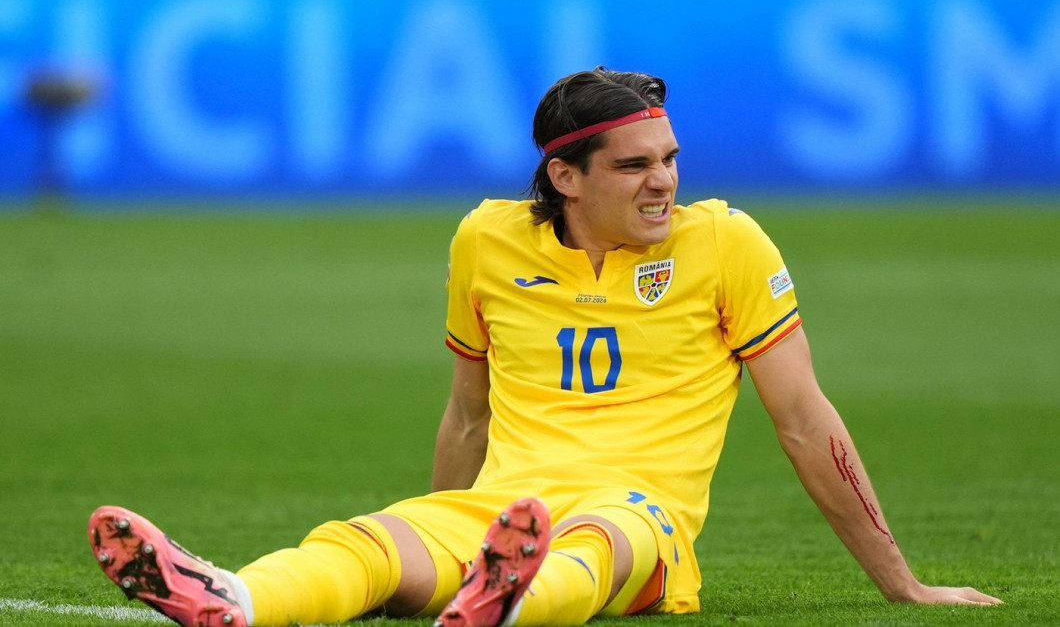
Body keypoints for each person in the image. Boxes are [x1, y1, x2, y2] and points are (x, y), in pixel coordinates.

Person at [87, 68, 1001, 627]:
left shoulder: (724, 244)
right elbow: (468, 411)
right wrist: (439, 543)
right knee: (365, 545)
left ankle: (506, 601)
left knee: (597, 548)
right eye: (636, 165)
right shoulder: (486, 241)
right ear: (565, 177)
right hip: (505, 508)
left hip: (642, 515)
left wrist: (903, 585)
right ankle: (234, 598)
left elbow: (804, 423)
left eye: (671, 158)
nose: (666, 181)